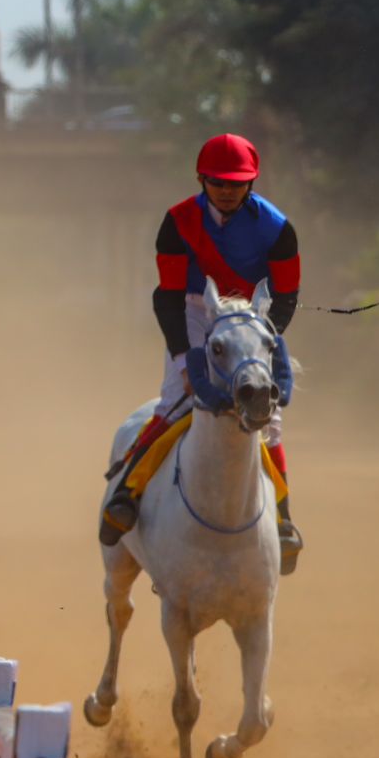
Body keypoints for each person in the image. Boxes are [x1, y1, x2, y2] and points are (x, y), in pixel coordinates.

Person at [101, 133, 304, 571]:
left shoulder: (278, 229)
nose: (227, 191)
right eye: (218, 182)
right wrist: (183, 360)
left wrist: (261, 338)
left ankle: (283, 518)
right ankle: (128, 493)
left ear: (251, 182)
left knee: (269, 421)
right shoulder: (177, 222)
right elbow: (168, 297)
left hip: (249, 316)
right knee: (176, 401)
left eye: (236, 183)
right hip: (194, 310)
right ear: (201, 179)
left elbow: (287, 295)